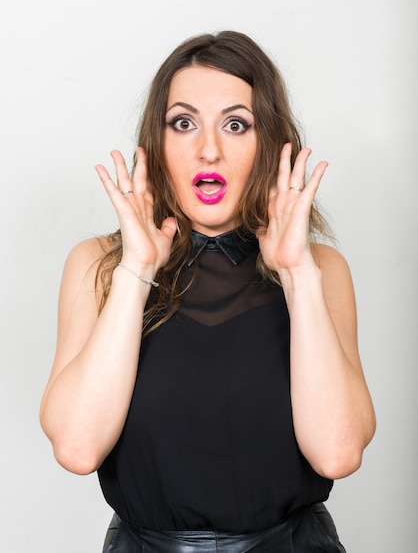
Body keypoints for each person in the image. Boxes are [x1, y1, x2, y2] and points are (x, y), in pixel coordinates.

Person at [40, 31, 376, 552]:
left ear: (269, 143)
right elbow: (78, 448)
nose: (209, 150)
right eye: (184, 123)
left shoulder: (320, 269)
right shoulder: (99, 266)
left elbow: (338, 454)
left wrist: (297, 273)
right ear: (156, 141)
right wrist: (137, 268)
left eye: (236, 124)